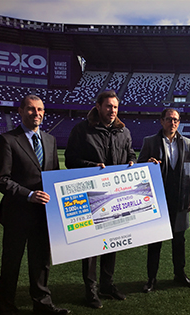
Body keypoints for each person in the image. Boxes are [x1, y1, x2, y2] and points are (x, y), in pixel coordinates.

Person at [0, 95, 70, 315]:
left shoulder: (50, 140)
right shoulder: (7, 140)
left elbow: (53, 174)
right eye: (31, 109)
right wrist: (28, 194)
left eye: (40, 109)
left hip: (43, 215)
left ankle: (42, 304)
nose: (37, 113)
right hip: (17, 214)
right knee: (11, 263)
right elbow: (0, 178)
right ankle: (6, 307)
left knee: (41, 262)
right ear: (21, 111)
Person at [64, 90, 137, 309]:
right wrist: (92, 168)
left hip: (115, 196)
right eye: (108, 106)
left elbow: (130, 153)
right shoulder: (81, 130)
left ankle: (107, 284)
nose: (112, 111)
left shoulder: (124, 131)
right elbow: (69, 160)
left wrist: (132, 162)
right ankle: (91, 290)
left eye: (115, 107)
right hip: (89, 196)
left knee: (111, 242)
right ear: (98, 106)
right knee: (90, 246)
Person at [137, 108, 190, 293]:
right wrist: (148, 163)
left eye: (176, 120)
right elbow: (140, 166)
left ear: (179, 122)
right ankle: (151, 279)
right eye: (169, 119)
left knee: (179, 240)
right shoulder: (150, 141)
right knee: (155, 241)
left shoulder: (187, 142)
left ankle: (179, 274)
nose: (173, 122)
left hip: (180, 197)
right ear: (162, 121)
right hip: (157, 199)